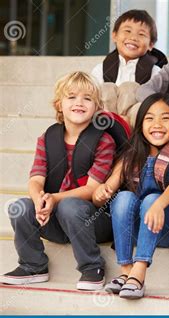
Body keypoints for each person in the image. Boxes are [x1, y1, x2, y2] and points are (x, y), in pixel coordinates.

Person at [0, 72, 117, 291]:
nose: (79, 103)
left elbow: (92, 189)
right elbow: (35, 179)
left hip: (92, 221)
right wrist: (39, 201)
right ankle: (33, 265)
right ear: (59, 105)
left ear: (97, 107)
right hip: (55, 220)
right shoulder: (47, 138)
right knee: (19, 206)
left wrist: (54, 198)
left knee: (69, 206)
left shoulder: (104, 141)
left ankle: (92, 267)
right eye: (71, 97)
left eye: (87, 98)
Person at [93, 93, 169, 299]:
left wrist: (158, 204)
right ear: (140, 125)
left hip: (167, 227)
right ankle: (126, 271)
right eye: (149, 118)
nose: (157, 124)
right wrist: (103, 192)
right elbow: (106, 189)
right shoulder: (132, 154)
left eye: (165, 118)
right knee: (123, 198)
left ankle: (139, 272)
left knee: (151, 199)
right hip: (138, 228)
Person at [91, 10, 167, 122]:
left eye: (141, 34)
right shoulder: (100, 69)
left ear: (151, 45)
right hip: (105, 123)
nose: (133, 37)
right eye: (127, 31)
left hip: (135, 124)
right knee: (105, 89)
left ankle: (124, 128)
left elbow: (158, 103)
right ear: (114, 36)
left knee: (130, 89)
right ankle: (111, 129)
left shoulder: (155, 71)